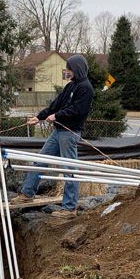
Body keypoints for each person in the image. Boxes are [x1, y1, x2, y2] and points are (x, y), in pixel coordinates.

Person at [17, 54, 94, 217]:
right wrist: (39, 117)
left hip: (69, 133)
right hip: (58, 131)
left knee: (69, 170)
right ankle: (27, 193)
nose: (67, 71)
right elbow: (55, 105)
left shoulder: (85, 88)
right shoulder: (70, 86)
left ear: (77, 69)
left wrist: (58, 116)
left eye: (69, 69)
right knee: (41, 160)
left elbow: (78, 110)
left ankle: (70, 207)